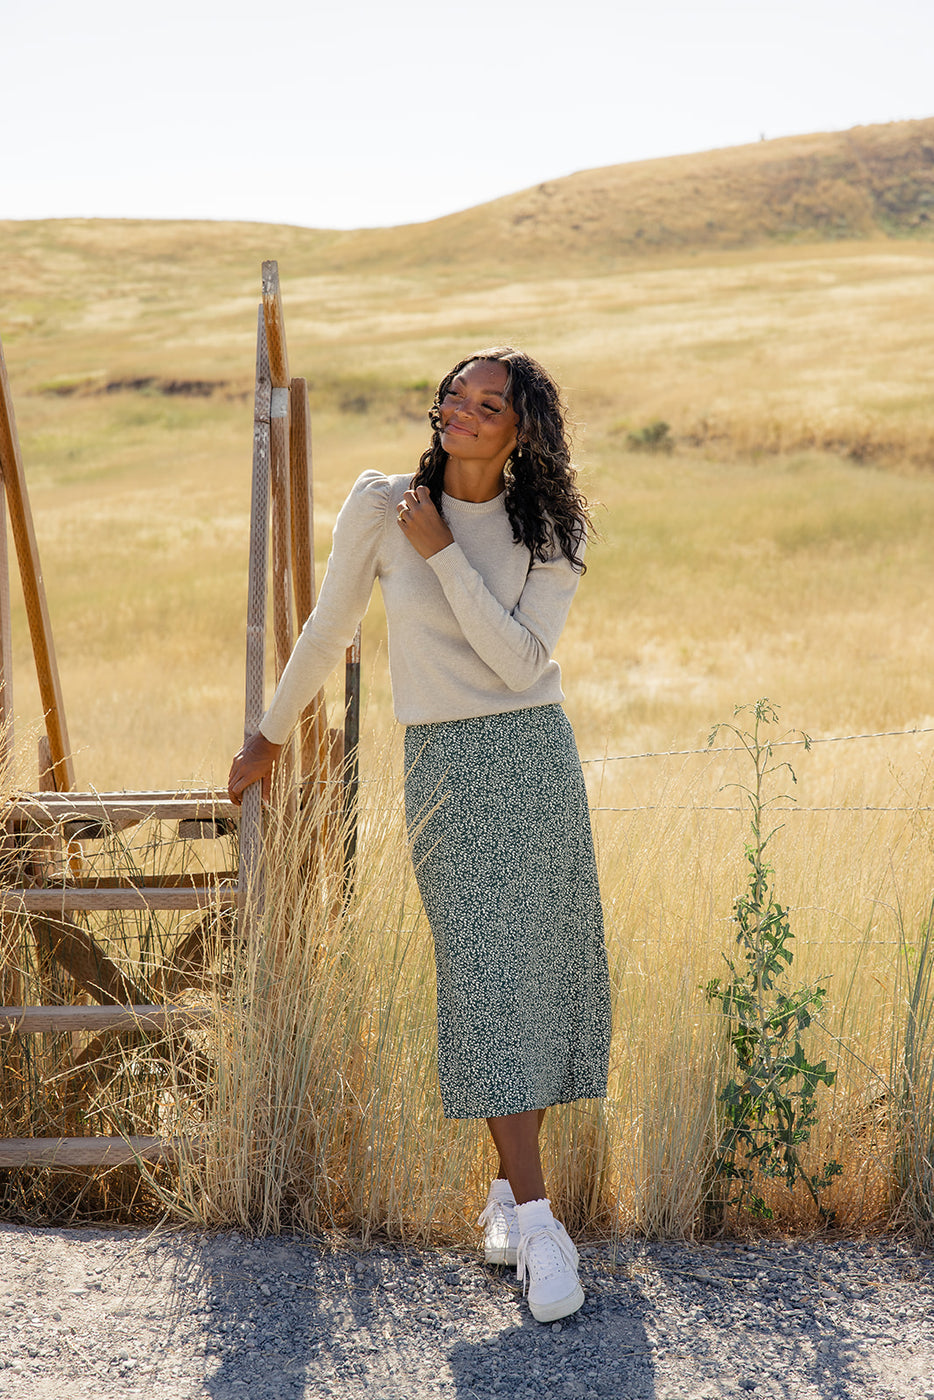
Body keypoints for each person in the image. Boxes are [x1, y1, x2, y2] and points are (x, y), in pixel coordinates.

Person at [227, 347, 612, 1324]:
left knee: (530, 976)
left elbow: (521, 662)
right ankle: (539, 1219)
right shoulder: (379, 503)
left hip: (532, 760)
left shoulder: (550, 529)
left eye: (490, 405)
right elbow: (328, 626)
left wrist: (441, 547)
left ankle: (504, 1201)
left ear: (521, 430)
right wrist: (267, 735)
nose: (464, 412)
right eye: (456, 395)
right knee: (483, 977)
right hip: (443, 766)